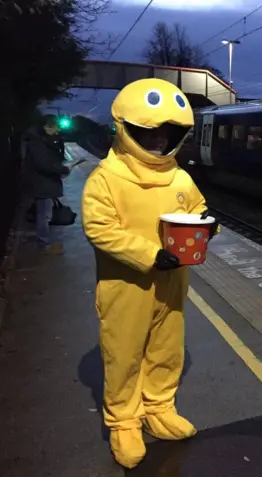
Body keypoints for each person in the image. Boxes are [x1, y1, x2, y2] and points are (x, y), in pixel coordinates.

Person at [81, 78, 219, 469]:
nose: (159, 141)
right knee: (123, 355)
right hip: (125, 288)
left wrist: (208, 226)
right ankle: (124, 421)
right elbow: (100, 228)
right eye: (150, 132)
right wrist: (150, 254)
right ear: (126, 130)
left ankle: (159, 406)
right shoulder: (107, 179)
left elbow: (197, 210)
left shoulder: (180, 178)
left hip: (173, 284)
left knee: (166, 348)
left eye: (169, 133)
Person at [23, 114, 70, 254]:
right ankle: (43, 244)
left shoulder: (40, 139)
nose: (57, 132)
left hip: (44, 182)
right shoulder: (37, 142)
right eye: (55, 128)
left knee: (44, 213)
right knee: (44, 215)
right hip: (42, 183)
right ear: (46, 127)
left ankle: (43, 241)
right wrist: (62, 169)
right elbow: (43, 164)